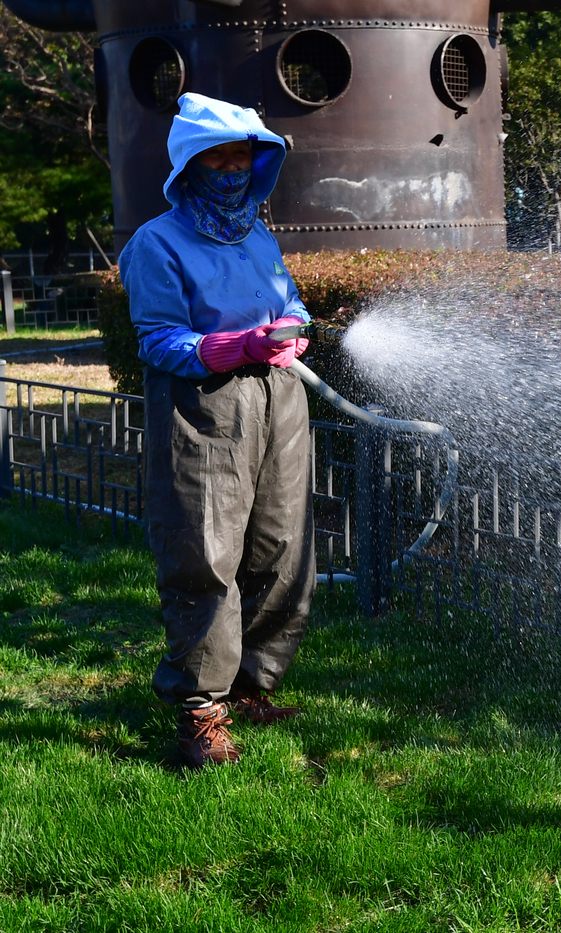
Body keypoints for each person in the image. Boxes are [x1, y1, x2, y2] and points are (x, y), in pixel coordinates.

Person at [119, 93, 315, 769]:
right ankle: (200, 707)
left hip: (278, 399)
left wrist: (294, 331)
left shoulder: (257, 233)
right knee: (204, 551)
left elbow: (287, 299)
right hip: (203, 406)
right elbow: (158, 338)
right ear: (191, 165)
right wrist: (230, 347)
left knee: (281, 542)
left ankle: (253, 684)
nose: (233, 169)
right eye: (219, 157)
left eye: (244, 157)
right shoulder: (157, 242)